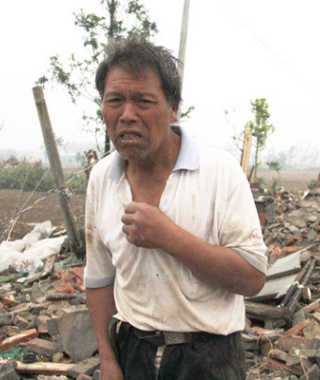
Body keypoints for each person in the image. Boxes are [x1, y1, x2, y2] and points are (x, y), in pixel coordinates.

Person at [84, 36, 268, 380]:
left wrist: (169, 237)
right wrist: (108, 360)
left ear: (172, 108)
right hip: (132, 352)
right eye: (115, 101)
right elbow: (98, 279)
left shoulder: (219, 171)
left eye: (143, 101)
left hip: (209, 357)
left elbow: (252, 277)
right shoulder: (101, 179)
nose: (126, 115)